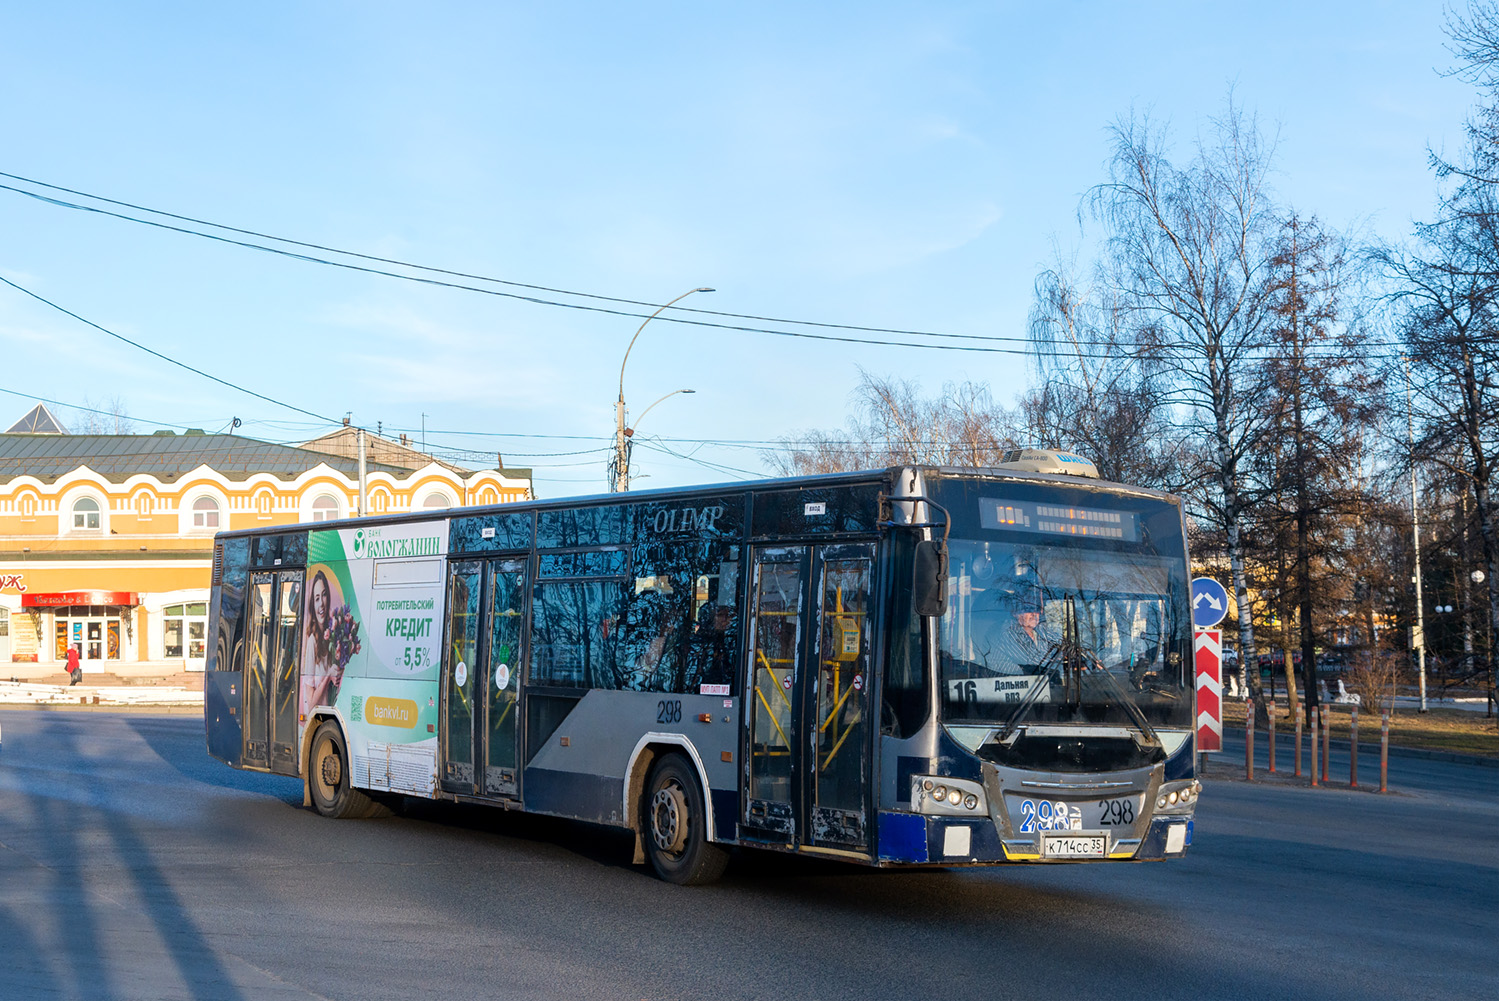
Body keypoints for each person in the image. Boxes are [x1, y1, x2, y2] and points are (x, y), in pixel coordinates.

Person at [300, 570, 343, 715]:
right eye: (317, 598)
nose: (321, 604)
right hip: (318, 716)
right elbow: (311, 704)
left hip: (330, 711)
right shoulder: (312, 640)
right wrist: (328, 675)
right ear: (313, 603)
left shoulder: (332, 636)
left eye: (324, 595)